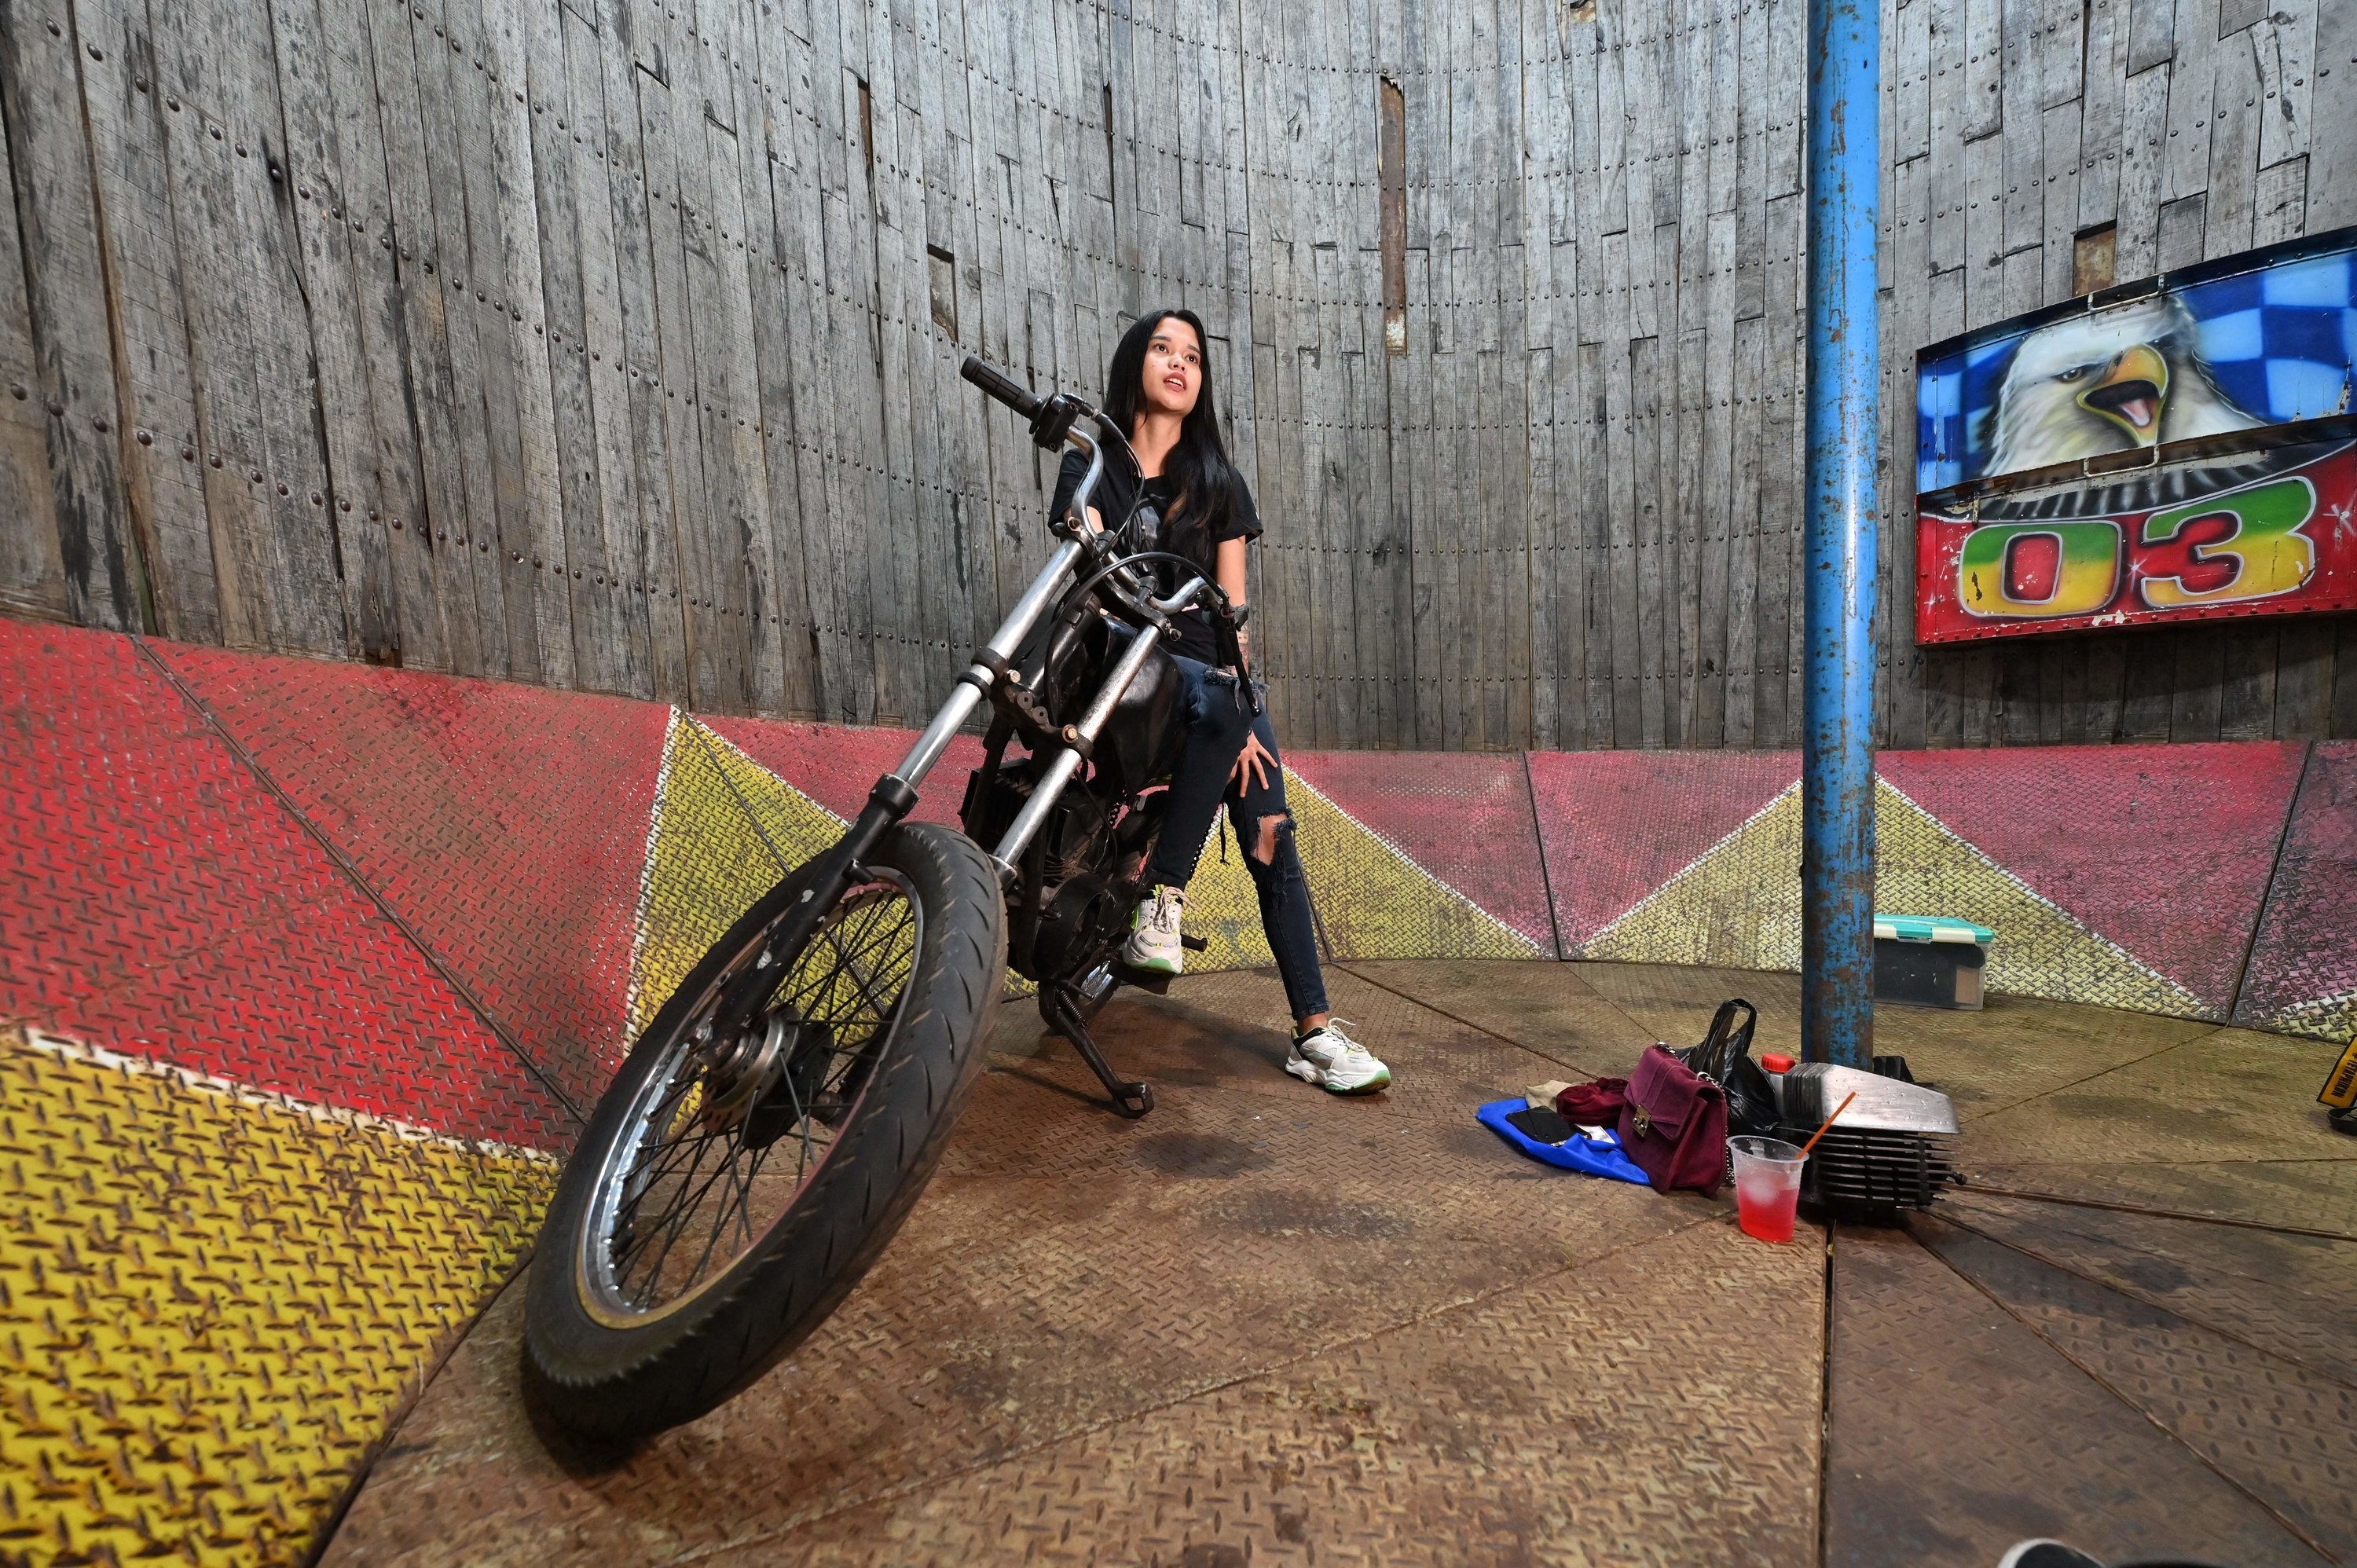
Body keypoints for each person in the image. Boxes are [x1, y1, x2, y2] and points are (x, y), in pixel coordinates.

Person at [1047, 310, 1391, 1096]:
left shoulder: (1220, 485)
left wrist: (1239, 710)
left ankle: (1312, 1031)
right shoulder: (1093, 466)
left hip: (1215, 677)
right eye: (1164, 348)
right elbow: (1087, 565)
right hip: (1129, 673)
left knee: (1272, 830)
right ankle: (1126, 899)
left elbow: (1232, 614)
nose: (1179, 363)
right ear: (1134, 360)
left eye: (1194, 356)